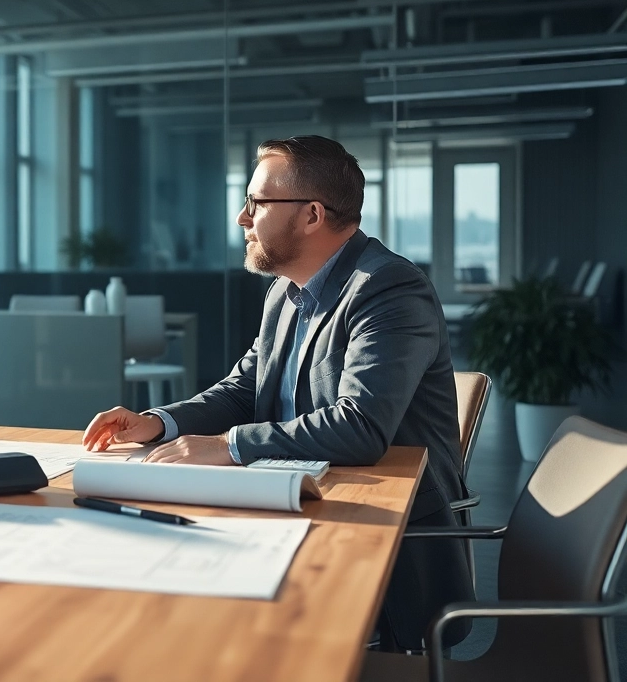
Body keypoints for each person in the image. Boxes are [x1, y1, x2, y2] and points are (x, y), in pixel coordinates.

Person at [82, 135, 473, 651]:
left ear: (311, 214)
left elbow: (361, 427)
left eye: (257, 203)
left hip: (383, 547)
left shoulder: (389, 290)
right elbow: (246, 388)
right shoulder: (285, 291)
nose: (243, 218)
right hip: (299, 503)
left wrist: (227, 447)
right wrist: (159, 422)